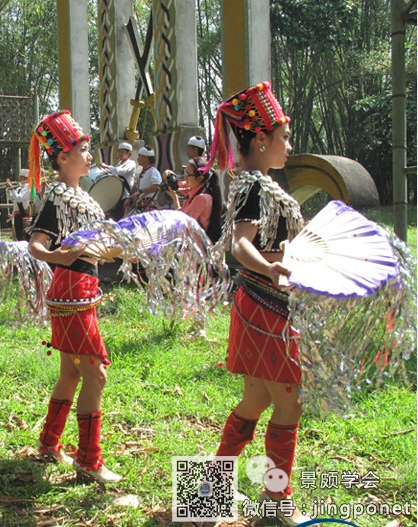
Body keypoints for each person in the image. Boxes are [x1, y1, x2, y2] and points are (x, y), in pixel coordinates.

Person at [204, 81, 310, 525]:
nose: (288, 144)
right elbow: (238, 244)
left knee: (256, 400)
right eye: (283, 136)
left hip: (266, 301)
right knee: (289, 402)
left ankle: (205, 494)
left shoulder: (260, 184)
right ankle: (275, 500)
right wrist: (270, 268)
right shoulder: (253, 187)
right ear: (261, 140)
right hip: (265, 302)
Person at [28, 110, 122, 483]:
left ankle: (50, 443)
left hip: (81, 287)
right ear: (62, 157)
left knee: (71, 373)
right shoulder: (58, 197)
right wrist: (57, 256)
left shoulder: (81, 196)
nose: (89, 155)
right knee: (95, 374)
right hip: (71, 289)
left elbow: (98, 247)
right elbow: (36, 244)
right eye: (82, 149)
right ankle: (88, 460)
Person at [164, 157, 223, 242]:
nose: (185, 177)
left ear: (200, 178)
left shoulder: (201, 198)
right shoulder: (197, 187)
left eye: (188, 174)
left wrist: (174, 198)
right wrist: (169, 175)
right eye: (185, 172)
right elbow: (177, 185)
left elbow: (182, 222)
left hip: (197, 248)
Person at [100, 141, 136, 218]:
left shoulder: (131, 163)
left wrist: (107, 167)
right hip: (117, 196)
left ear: (129, 153)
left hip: (126, 196)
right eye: (119, 151)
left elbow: (121, 171)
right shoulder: (119, 163)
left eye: (123, 152)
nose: (120, 154)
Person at [123, 146, 160, 216]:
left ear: (145, 158)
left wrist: (140, 192)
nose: (137, 159)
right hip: (141, 205)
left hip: (148, 206)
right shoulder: (144, 172)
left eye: (139, 156)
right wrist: (130, 198)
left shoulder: (153, 171)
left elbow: (157, 187)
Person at [5, 169, 34, 241]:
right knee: (19, 236)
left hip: (24, 214)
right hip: (17, 215)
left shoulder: (29, 188)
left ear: (25, 178)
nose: (19, 179)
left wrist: (11, 188)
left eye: (21, 177)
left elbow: (20, 198)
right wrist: (8, 190)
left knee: (25, 236)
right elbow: (11, 198)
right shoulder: (18, 188)